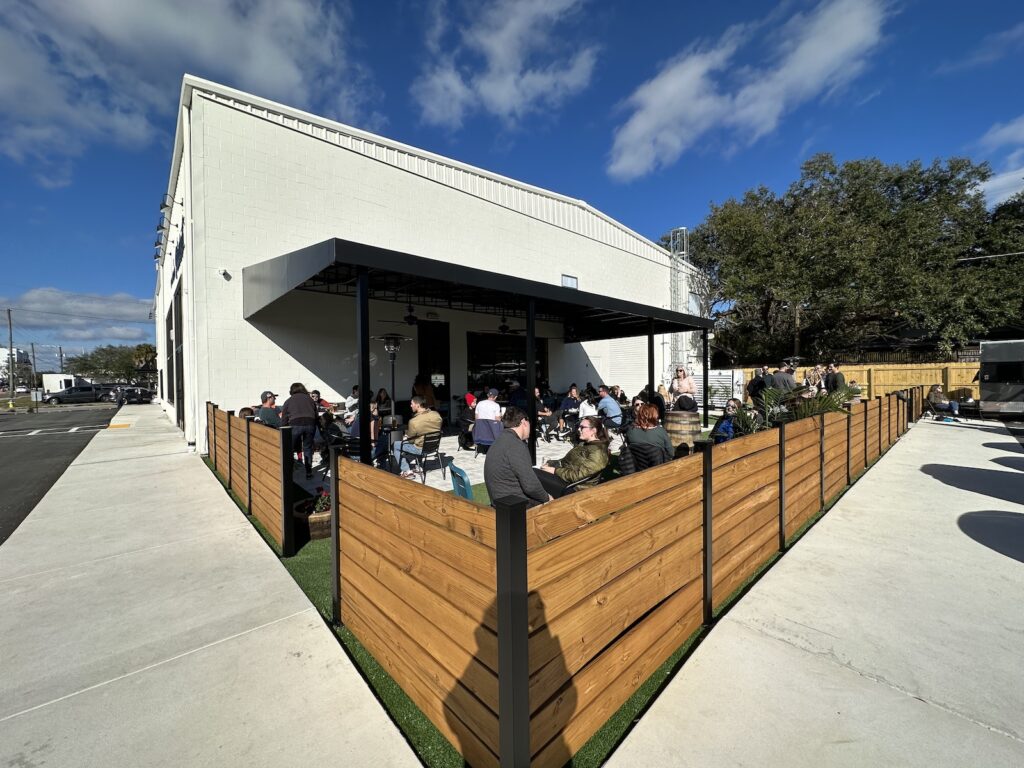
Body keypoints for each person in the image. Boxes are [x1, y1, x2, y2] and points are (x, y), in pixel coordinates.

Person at [482, 406, 552, 508]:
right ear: (524, 422)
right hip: (516, 507)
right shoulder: (516, 445)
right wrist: (548, 498)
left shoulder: (499, 441)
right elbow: (531, 486)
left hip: (499, 501)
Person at [536, 415, 610, 498]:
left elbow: (577, 476)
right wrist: (550, 463)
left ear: (593, 430)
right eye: (579, 426)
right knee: (532, 475)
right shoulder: (584, 444)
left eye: (582, 427)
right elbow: (565, 461)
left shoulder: (598, 452)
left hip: (576, 489)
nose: (578, 429)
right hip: (566, 480)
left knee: (534, 476)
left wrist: (554, 471)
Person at [394, 395, 443, 478]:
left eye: (411, 403)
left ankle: (407, 471)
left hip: (421, 449)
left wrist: (407, 435)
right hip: (434, 447)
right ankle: (418, 467)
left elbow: (410, 441)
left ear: (417, 405)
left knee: (396, 445)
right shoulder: (437, 415)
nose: (410, 405)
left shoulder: (414, 421)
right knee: (419, 440)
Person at [281, 382, 318, 479]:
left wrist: (283, 428)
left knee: (290, 449)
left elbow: (284, 417)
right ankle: (309, 473)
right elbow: (316, 414)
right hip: (310, 424)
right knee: (307, 448)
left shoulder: (289, 400)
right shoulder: (310, 399)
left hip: (295, 424)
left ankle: (288, 473)